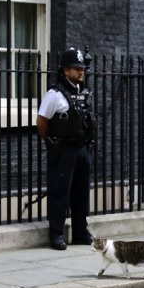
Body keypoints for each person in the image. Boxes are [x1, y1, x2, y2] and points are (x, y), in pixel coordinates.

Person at [37, 47, 96, 250]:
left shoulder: (85, 93)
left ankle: (80, 230)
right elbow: (41, 121)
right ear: (65, 70)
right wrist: (50, 142)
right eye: (76, 68)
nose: (81, 71)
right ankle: (56, 233)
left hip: (82, 148)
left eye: (82, 68)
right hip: (63, 149)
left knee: (81, 191)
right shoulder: (55, 94)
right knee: (60, 191)